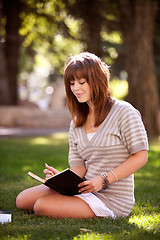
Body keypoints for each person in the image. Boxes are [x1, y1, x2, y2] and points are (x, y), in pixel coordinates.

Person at [16, 52, 148, 218]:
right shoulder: (77, 121)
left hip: (111, 198)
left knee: (41, 206)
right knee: (22, 200)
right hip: (84, 189)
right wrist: (61, 180)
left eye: (81, 82)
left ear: (97, 80)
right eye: (71, 83)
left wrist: (103, 179)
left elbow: (141, 156)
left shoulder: (124, 112)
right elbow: (79, 168)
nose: (75, 88)